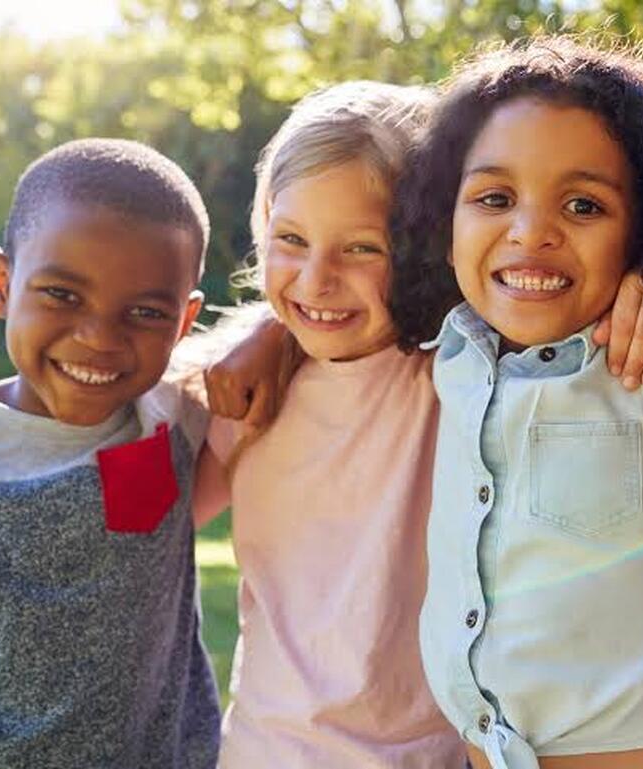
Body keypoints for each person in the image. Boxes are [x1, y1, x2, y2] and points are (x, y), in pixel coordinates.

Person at [388, 36, 643, 769]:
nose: (531, 232)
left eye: (584, 204)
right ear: (446, 224)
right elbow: (318, 294)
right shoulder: (455, 350)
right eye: (493, 198)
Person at [190, 81, 469, 769]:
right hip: (266, 753)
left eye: (361, 248)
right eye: (291, 239)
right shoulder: (238, 385)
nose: (315, 281)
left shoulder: (460, 371)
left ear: (421, 248)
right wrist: (267, 329)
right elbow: (142, 532)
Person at [0, 138, 221, 767]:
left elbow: (297, 326)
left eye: (146, 312)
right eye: (62, 296)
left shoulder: (176, 412)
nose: (100, 338)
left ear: (183, 324)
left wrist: (263, 344)